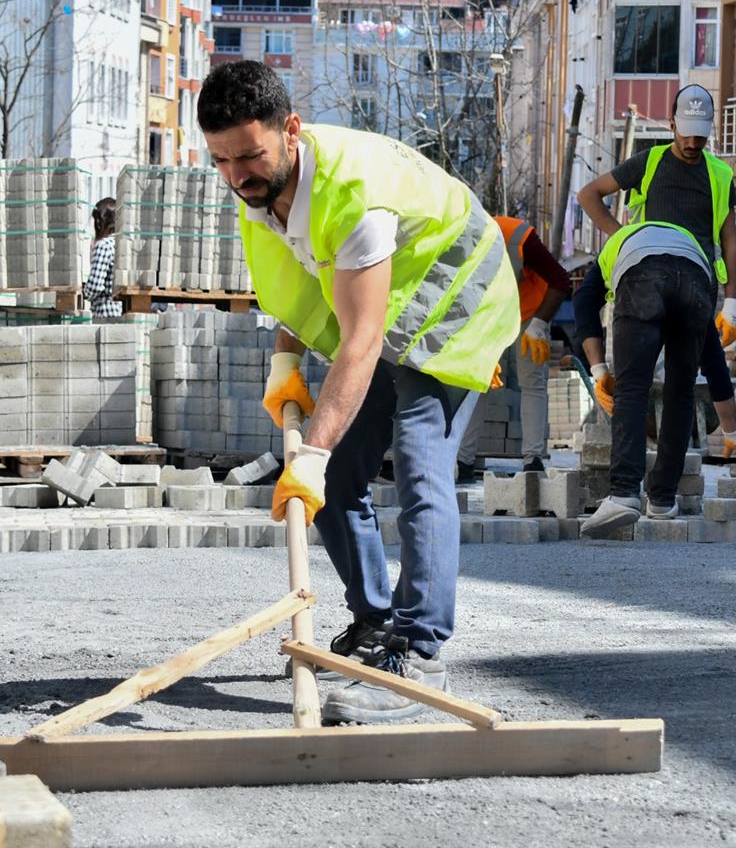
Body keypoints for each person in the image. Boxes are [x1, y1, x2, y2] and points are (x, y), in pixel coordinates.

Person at [197, 61, 520, 724]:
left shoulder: (353, 192)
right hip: (396, 311)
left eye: (250, 156)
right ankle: (376, 624)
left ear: (290, 130)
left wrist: (307, 452)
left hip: (458, 303)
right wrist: (284, 364)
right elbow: (300, 278)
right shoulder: (261, 193)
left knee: (418, 457)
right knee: (341, 474)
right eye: (221, 161)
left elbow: (363, 339)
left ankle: (419, 649)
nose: (237, 176)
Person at [575, 84, 736, 538]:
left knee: (637, 388)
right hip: (688, 281)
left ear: (709, 134)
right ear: (671, 126)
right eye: (686, 134)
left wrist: (734, 300)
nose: (692, 144)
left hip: (668, 275)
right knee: (680, 390)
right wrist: (617, 233)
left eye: (701, 137)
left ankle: (626, 492)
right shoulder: (648, 161)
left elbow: (730, 239)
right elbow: (590, 194)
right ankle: (662, 500)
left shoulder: (719, 175)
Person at [572, 263, 736, 469]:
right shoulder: (690, 263)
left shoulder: (631, 251)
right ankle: (653, 494)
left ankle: (629, 491)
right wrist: (731, 430)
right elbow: (711, 355)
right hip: (674, 281)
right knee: (674, 389)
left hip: (646, 287)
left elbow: (584, 299)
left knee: (637, 389)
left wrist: (599, 370)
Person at [456, 217, 571, 481]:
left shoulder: (516, 236)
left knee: (531, 381)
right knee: (475, 381)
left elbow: (561, 281)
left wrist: (539, 324)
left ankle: (533, 461)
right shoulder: (455, 246)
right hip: (490, 312)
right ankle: (462, 460)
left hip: (530, 311)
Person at [83, 197, 122, 319]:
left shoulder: (103, 246)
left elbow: (95, 286)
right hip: (120, 311)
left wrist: (85, 291)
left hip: (106, 312)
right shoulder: (120, 244)